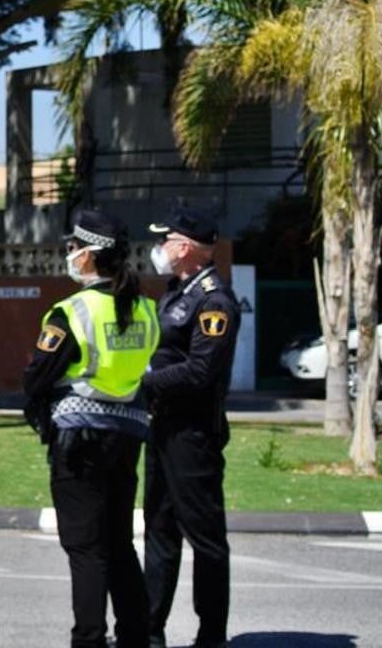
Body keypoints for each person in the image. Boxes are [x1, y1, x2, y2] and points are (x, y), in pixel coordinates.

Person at [23, 210, 158, 648]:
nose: (69, 255)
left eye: (72, 248)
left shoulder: (72, 311)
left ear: (91, 254)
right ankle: (136, 637)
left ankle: (89, 640)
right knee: (119, 542)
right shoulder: (145, 308)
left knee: (85, 549)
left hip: (78, 440)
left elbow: (37, 376)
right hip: (128, 436)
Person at [143, 208, 240, 648]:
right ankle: (149, 628)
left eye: (166, 240)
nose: (160, 249)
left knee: (205, 539)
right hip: (163, 429)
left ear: (184, 248)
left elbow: (202, 370)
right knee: (159, 532)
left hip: (193, 437)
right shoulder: (176, 292)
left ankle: (211, 635)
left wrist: (142, 381)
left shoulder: (213, 301)